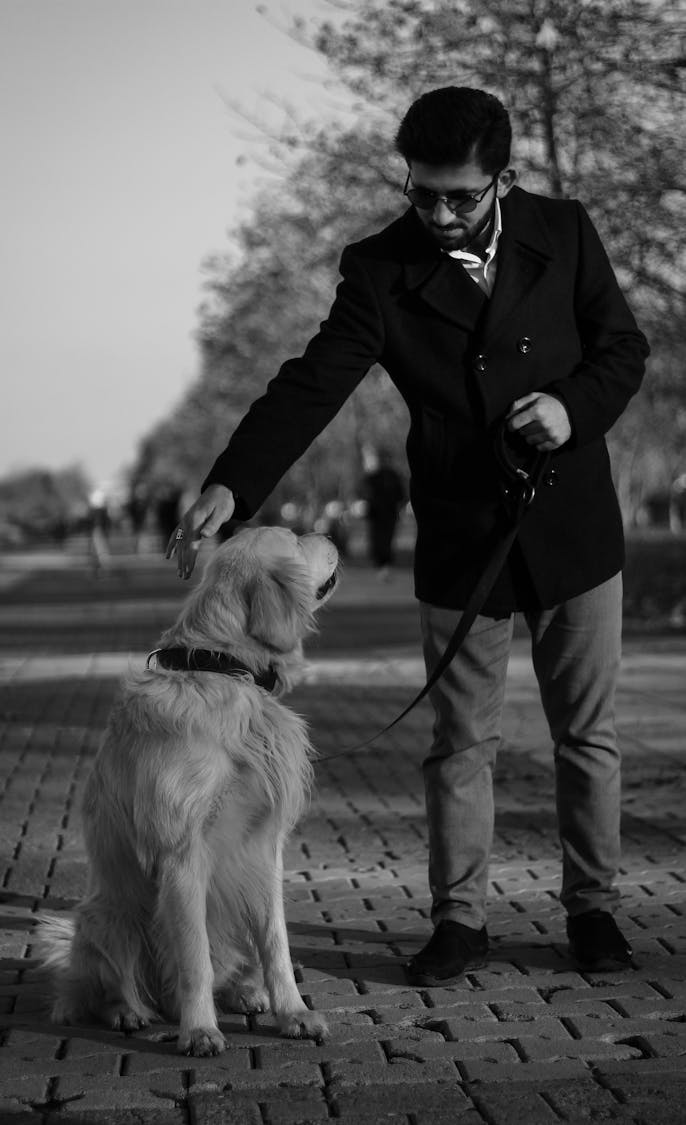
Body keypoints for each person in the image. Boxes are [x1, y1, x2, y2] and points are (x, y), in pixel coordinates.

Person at [167, 87, 648, 982]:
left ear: (504, 179)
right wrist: (233, 482)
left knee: (587, 735)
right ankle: (459, 920)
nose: (435, 212)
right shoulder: (381, 267)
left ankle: (595, 913)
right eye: (420, 191)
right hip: (463, 539)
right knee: (460, 743)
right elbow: (312, 383)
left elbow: (625, 348)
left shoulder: (568, 231)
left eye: (459, 196)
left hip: (576, 530)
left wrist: (570, 408)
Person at [362, 447, 406, 577]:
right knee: (378, 539)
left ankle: (384, 564)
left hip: (388, 514)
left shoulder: (393, 476)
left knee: (386, 539)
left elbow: (401, 495)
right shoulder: (374, 477)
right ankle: (380, 564)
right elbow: (366, 493)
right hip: (378, 514)